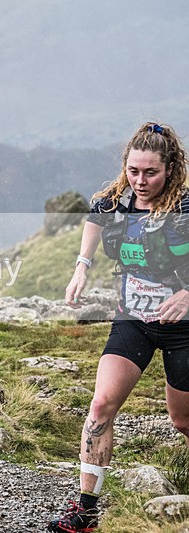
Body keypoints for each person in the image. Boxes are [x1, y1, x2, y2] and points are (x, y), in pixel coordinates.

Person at [49, 122, 189, 532]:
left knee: (183, 422)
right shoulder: (113, 201)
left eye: (151, 173)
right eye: (133, 171)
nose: (141, 181)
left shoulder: (186, 206)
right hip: (133, 321)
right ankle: (86, 509)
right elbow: (94, 219)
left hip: (184, 328)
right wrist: (82, 267)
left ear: (171, 168)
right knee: (100, 406)